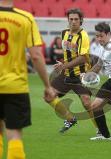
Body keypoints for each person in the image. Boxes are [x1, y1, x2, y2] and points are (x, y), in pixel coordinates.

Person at [0, 0, 56, 159]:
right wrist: (47, 85)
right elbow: (36, 56)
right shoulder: (25, 18)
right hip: (15, 86)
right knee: (14, 134)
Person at [49, 8, 100, 134]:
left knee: (87, 103)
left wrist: (64, 65)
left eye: (76, 19)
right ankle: (70, 119)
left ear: (81, 20)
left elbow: (83, 58)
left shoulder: (84, 36)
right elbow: (68, 53)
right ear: (68, 20)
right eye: (71, 19)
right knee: (49, 95)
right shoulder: (64, 33)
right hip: (66, 73)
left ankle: (100, 129)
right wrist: (63, 64)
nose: (73, 22)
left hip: (80, 75)